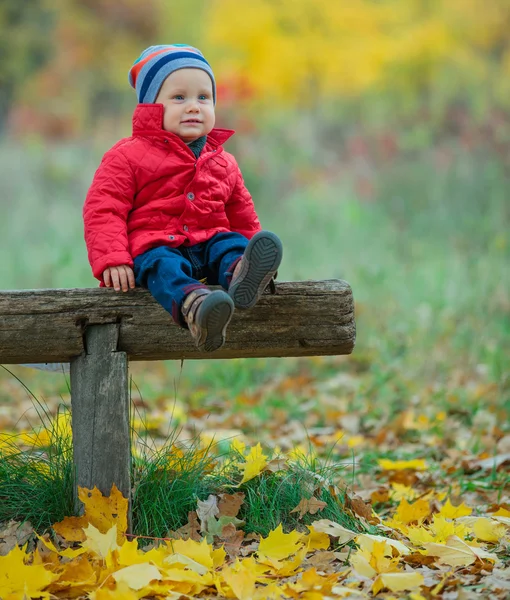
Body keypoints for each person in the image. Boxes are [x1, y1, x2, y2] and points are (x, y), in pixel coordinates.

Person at [83, 44, 282, 352]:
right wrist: (112, 259)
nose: (193, 106)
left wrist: (252, 247)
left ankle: (242, 274)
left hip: (208, 243)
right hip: (156, 246)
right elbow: (103, 209)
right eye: (179, 97)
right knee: (162, 267)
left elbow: (242, 213)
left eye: (203, 97)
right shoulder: (127, 156)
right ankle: (197, 307)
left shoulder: (223, 161)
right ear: (151, 106)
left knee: (230, 243)